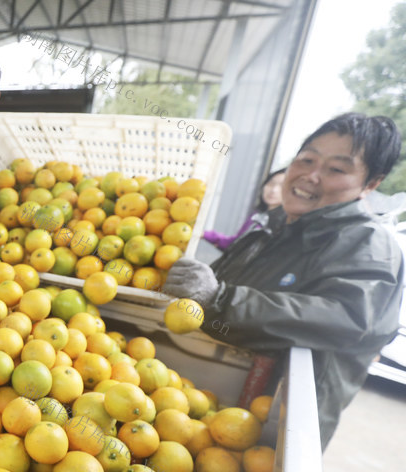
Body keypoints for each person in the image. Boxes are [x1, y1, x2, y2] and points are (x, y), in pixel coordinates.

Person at [163, 113, 404, 449]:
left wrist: (220, 298)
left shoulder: (369, 245)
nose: (311, 176)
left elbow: (347, 318)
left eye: (336, 169)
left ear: (371, 184)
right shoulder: (276, 223)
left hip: (274, 429)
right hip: (205, 400)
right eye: (306, 160)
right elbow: (216, 288)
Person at [203, 168, 286, 250]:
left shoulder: (282, 225)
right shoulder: (256, 216)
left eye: (282, 187)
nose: (274, 190)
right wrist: (205, 234)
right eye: (271, 183)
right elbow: (236, 243)